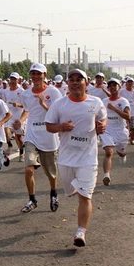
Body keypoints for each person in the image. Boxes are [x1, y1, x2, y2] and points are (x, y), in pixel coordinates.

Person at [45, 69, 107, 247]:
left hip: (88, 158)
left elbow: (103, 119)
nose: (75, 82)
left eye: (79, 79)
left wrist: (102, 126)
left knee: (85, 195)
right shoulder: (60, 104)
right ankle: (75, 188)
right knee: (70, 190)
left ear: (86, 82)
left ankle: (81, 232)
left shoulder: (95, 102)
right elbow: (49, 126)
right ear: (68, 84)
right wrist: (61, 127)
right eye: (71, 79)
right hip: (66, 158)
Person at [15, 63, 62, 213]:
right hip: (32, 135)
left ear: (45, 75)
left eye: (38, 74)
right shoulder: (26, 94)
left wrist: (43, 103)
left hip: (48, 136)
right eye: (33, 73)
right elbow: (27, 110)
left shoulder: (53, 92)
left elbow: (58, 114)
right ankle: (32, 199)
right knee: (29, 169)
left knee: (51, 173)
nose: (35, 76)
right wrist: (21, 121)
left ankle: (54, 193)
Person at [100, 78, 130, 186]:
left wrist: (114, 109)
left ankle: (122, 154)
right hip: (107, 130)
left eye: (115, 85)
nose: (112, 87)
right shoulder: (104, 102)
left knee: (121, 152)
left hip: (120, 130)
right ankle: (106, 175)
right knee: (108, 152)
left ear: (119, 87)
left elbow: (128, 116)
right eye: (110, 86)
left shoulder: (123, 101)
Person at [0, 72, 25, 159]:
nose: (13, 81)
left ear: (18, 80)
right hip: (9, 116)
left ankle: (21, 152)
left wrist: (18, 104)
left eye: (15, 79)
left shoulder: (22, 91)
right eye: (12, 79)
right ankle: (10, 145)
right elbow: (3, 102)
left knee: (19, 138)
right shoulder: (5, 91)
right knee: (6, 131)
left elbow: (26, 106)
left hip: (18, 116)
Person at [119, 77, 134, 145]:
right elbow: (118, 98)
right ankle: (124, 139)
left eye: (131, 82)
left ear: (133, 83)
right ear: (126, 83)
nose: (130, 83)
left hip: (133, 112)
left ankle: (132, 139)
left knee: (132, 128)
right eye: (128, 82)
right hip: (124, 112)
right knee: (125, 127)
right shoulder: (122, 91)